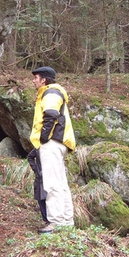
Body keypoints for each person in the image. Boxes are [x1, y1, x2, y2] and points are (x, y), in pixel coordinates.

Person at [29, 66, 76, 234]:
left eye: (36, 77)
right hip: (58, 142)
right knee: (61, 183)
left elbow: (50, 114)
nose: (34, 80)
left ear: (44, 80)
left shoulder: (50, 93)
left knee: (52, 183)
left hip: (52, 143)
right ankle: (67, 221)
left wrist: (43, 138)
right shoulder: (53, 93)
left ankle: (55, 222)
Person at [27, 148, 49, 224]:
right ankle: (46, 221)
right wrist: (36, 170)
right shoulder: (38, 147)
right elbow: (30, 157)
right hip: (41, 178)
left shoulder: (53, 146)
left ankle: (53, 221)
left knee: (51, 198)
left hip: (52, 177)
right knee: (41, 199)